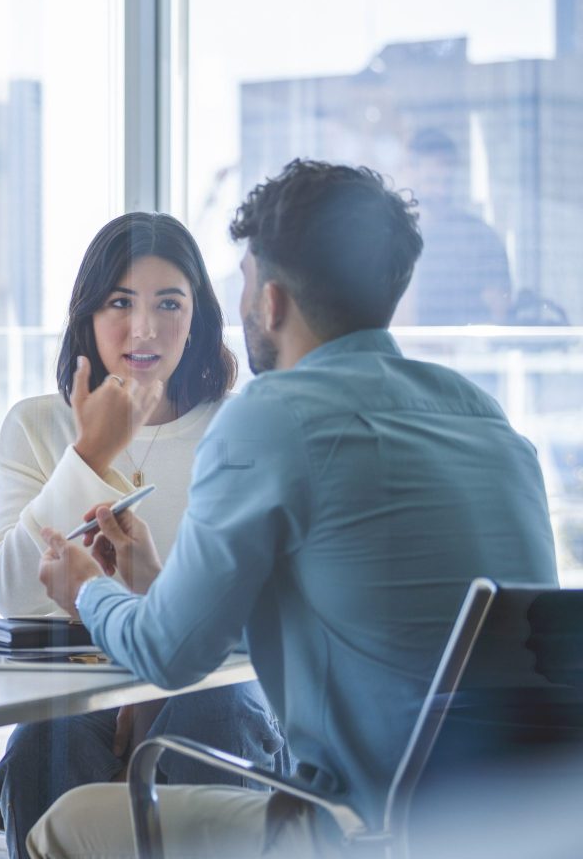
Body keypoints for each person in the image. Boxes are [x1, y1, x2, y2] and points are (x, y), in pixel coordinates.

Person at [29, 159, 558, 858]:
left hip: (364, 831)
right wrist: (158, 587)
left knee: (66, 823)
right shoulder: (484, 417)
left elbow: (166, 657)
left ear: (271, 301)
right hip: (531, 822)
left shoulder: (272, 418)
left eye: (244, 281)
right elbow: (376, 631)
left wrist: (86, 589)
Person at [0, 213, 289, 859]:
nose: (143, 328)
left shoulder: (238, 428)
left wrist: (151, 684)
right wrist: (90, 454)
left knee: (214, 713)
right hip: (78, 693)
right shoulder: (38, 424)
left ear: (198, 318)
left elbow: (259, 614)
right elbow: (13, 592)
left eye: (168, 304)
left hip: (215, 690)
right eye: (120, 302)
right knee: (48, 739)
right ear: (88, 315)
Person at [401, 128, 511, 325]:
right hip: (402, 351)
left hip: (465, 353)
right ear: (411, 175)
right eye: (432, 181)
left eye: (448, 182)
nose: (441, 191)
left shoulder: (481, 238)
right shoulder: (390, 237)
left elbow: (500, 313)